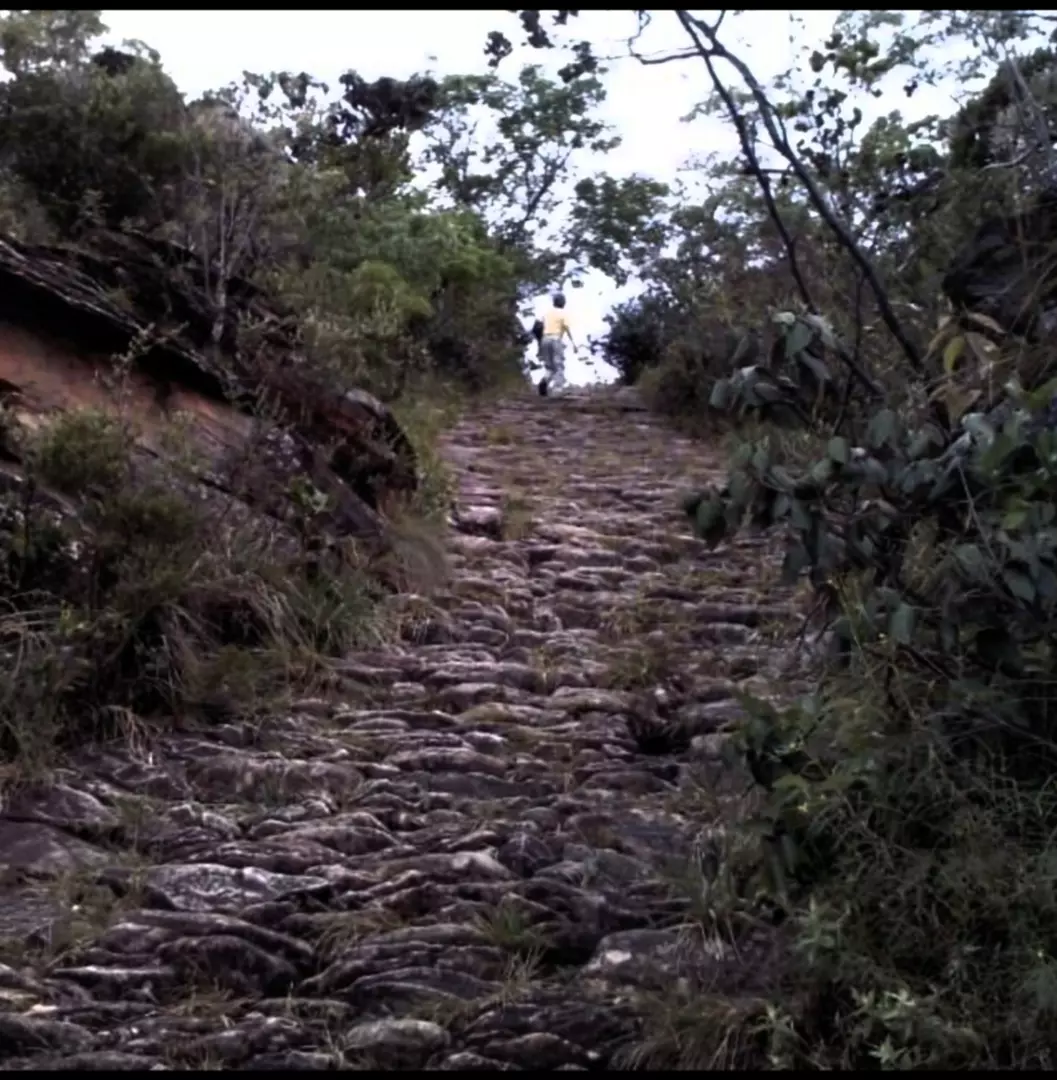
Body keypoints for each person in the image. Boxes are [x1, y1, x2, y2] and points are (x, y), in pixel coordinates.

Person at [537, 292, 576, 396]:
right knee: (559, 365)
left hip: (545, 339)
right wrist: (573, 343)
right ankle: (558, 389)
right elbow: (567, 329)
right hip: (555, 338)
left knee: (549, 366)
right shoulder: (563, 313)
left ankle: (544, 381)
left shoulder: (547, 313)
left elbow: (540, 326)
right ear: (562, 302)